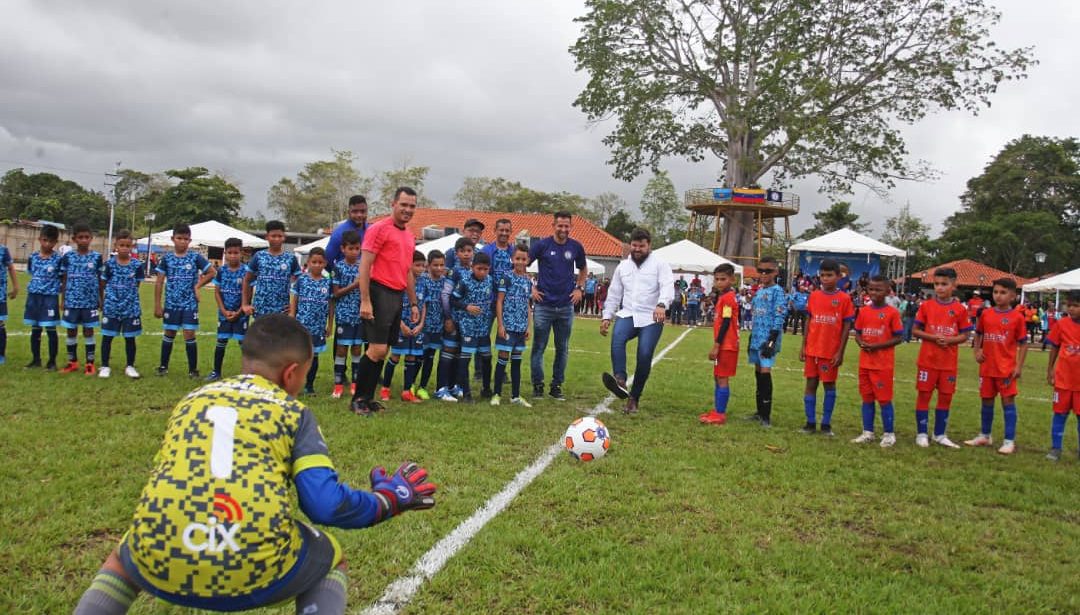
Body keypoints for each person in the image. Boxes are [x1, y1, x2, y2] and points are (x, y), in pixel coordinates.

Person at [72, 314, 436, 615]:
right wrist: (388, 499)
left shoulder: (192, 399)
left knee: (123, 556)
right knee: (330, 558)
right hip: (250, 564)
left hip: (161, 552)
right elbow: (324, 505)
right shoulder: (292, 411)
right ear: (292, 373)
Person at [349, 187, 421, 416]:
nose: (408, 210)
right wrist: (365, 300)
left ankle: (369, 399)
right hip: (378, 291)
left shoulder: (409, 236)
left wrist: (413, 303)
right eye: (404, 205)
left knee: (383, 349)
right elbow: (365, 265)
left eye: (412, 206)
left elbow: (408, 270)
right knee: (377, 348)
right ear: (393, 204)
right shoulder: (378, 229)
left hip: (397, 295)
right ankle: (358, 398)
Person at [599, 228, 674, 414]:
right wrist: (607, 316)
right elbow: (614, 293)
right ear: (630, 245)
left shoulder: (660, 264)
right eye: (634, 245)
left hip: (651, 316)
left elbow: (667, 286)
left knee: (645, 353)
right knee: (617, 338)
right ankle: (620, 380)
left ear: (649, 245)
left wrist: (662, 304)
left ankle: (634, 398)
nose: (637, 249)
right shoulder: (622, 267)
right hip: (629, 313)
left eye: (641, 246)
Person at [964, 278, 1029, 455]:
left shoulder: (1017, 317)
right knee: (986, 400)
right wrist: (977, 351)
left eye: (1003, 292)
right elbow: (978, 334)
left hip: (1006, 368)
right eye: (995, 292)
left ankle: (1009, 440)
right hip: (987, 367)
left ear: (1013, 296)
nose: (998, 296)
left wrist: (1019, 366)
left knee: (1007, 401)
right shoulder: (986, 314)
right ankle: (985, 435)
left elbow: (1023, 343)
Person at [529, 211, 588, 401]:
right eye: (560, 225)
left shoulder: (576, 246)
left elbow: (583, 268)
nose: (563, 229)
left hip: (565, 307)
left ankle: (556, 386)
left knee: (562, 348)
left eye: (566, 226)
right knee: (539, 347)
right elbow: (521, 264)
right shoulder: (542, 245)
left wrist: (579, 288)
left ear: (571, 227)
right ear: (553, 225)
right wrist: (531, 288)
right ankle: (538, 385)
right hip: (543, 305)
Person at [911, 267, 972, 448]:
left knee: (945, 397)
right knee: (924, 395)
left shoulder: (960, 309)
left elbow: (965, 334)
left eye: (944, 284)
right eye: (937, 284)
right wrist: (934, 338)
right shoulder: (926, 306)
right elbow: (915, 330)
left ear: (954, 285)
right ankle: (921, 433)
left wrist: (951, 340)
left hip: (948, 363)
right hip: (927, 361)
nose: (940, 288)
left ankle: (939, 434)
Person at [799, 259, 855, 436]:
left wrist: (840, 352)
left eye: (829, 275)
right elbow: (809, 320)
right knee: (810, 383)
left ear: (838, 276)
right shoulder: (814, 295)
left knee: (829, 385)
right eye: (822, 275)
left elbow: (846, 327)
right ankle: (810, 423)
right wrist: (803, 345)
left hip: (829, 351)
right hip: (812, 349)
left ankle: (826, 424)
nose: (825, 278)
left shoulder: (844, 299)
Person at [154, 224, 216, 378]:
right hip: (171, 304)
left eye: (185, 239)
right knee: (169, 333)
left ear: (190, 241)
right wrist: (157, 305)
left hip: (189, 304)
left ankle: (193, 370)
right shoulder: (166, 259)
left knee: (189, 334)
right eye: (179, 238)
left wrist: (197, 286)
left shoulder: (195, 257)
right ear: (173, 239)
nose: (182, 242)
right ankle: (163, 367)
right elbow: (159, 282)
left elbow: (211, 272)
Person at [851, 275, 904, 446]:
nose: (873, 292)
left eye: (878, 289)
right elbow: (857, 332)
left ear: (888, 291)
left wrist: (878, 346)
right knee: (866, 398)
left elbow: (898, 337)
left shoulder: (892, 313)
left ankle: (889, 434)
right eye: (871, 289)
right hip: (865, 363)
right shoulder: (864, 311)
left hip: (882, 365)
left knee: (884, 399)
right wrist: (861, 342)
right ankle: (868, 432)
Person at [380, 251, 427, 403]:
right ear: (409, 265)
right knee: (395, 356)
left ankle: (407, 391)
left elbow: (424, 305)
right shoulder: (400, 282)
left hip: (416, 327)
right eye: (417, 265)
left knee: (412, 357)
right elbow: (394, 306)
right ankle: (385, 388)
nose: (420, 269)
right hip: (401, 326)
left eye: (423, 266)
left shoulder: (423, 283)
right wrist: (401, 325)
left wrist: (421, 324)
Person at [746, 256, 787, 427]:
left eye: (768, 271)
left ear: (775, 272)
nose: (763, 274)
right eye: (760, 270)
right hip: (756, 338)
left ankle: (766, 416)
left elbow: (780, 315)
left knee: (765, 373)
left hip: (768, 340)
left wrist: (772, 339)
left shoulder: (777, 291)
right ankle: (758, 411)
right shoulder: (760, 290)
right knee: (757, 374)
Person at [98, 230, 145, 379]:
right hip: (112, 306)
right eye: (121, 245)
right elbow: (103, 283)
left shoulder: (137, 265)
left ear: (132, 247)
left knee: (130, 338)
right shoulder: (109, 264)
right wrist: (106, 300)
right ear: (116, 245)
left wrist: (128, 297)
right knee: (107, 337)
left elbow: (137, 284)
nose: (124, 248)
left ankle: (130, 366)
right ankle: (105, 366)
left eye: (127, 245)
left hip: (130, 307)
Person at [491, 244, 534, 407]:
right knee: (502, 359)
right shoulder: (506, 277)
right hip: (508, 326)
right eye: (517, 259)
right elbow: (500, 301)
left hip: (521, 328)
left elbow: (528, 305)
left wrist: (528, 327)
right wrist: (501, 325)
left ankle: (515, 396)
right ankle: (496, 394)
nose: (520, 262)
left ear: (528, 260)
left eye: (523, 259)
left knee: (517, 361)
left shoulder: (527, 280)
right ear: (512, 259)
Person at [59, 223, 104, 374]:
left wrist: (101, 299)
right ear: (74, 239)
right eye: (80, 237)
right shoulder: (68, 257)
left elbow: (100, 280)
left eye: (86, 237)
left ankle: (89, 364)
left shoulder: (97, 257)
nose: (84, 240)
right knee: (71, 331)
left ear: (91, 238)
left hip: (90, 301)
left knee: (88, 331)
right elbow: (64, 279)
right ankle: (72, 362)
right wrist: (63, 299)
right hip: (71, 300)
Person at [290, 247, 334, 396]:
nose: (317, 265)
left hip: (318, 327)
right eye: (314, 262)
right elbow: (295, 298)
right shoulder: (302, 279)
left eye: (320, 262)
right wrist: (292, 315)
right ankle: (295, 384)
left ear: (325, 263)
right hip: (302, 325)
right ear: (308, 262)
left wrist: (329, 324)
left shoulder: (327, 283)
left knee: (314, 356)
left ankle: (309, 385)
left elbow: (330, 304)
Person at [700, 263, 739, 425]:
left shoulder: (728, 298)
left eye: (723, 279)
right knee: (717, 377)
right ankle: (717, 410)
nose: (719, 282)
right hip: (724, 344)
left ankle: (720, 414)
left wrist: (717, 345)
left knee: (722, 378)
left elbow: (726, 322)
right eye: (717, 279)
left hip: (727, 345)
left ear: (732, 280)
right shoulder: (723, 297)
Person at [1045, 290, 1080, 461]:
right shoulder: (1062, 324)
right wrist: (1050, 369)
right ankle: (1055, 448)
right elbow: (1054, 347)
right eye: (1069, 305)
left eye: (1076, 306)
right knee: (1059, 414)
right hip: (1063, 380)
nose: (1071, 309)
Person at [331, 230, 366, 399]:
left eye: (357, 248)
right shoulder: (338, 268)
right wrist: (355, 285)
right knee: (341, 349)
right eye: (351, 248)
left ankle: (355, 383)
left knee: (357, 349)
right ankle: (338, 384)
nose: (354, 252)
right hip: (344, 315)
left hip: (359, 315)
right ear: (343, 249)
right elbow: (336, 293)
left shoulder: (363, 266)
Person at [242, 220, 300, 319]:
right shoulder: (259, 256)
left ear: (284, 237)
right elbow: (247, 280)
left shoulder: (290, 258)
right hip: (260, 309)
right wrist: (245, 304)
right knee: (260, 335)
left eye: (280, 236)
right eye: (273, 236)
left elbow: (301, 283)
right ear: (267, 237)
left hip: (282, 311)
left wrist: (293, 306)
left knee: (279, 335)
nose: (277, 239)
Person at [208, 237, 248, 381]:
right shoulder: (221, 271)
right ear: (225, 253)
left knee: (243, 343)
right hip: (224, 313)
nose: (233, 256)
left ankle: (247, 374)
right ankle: (216, 372)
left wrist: (238, 312)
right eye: (230, 253)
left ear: (241, 253)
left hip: (241, 314)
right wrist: (224, 311)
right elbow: (217, 292)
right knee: (221, 342)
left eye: (236, 253)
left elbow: (248, 294)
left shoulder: (246, 271)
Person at [23, 224, 62, 370]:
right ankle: (36, 359)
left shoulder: (58, 259)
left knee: (51, 329)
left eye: (51, 241)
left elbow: (62, 278)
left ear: (55, 242)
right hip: (34, 297)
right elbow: (31, 274)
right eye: (45, 240)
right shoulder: (33, 257)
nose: (47, 244)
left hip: (50, 298)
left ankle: (52, 362)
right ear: (40, 239)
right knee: (35, 329)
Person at [416, 249, 452, 400]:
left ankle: (422, 387)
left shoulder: (446, 282)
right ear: (428, 265)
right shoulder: (422, 280)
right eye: (435, 265)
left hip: (438, 326)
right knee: (418, 356)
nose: (439, 268)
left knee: (430, 357)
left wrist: (447, 320)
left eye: (441, 265)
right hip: (423, 325)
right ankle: (410, 384)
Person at [323, 195, 368, 269]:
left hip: (367, 278)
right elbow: (327, 260)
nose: (359, 215)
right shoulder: (338, 234)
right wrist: (339, 276)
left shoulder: (371, 230)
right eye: (355, 211)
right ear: (349, 212)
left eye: (362, 211)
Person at [0, 238, 17, 365]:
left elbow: (11, 268)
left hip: (0, 294)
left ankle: (1, 355)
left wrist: (15, 286)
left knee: (0, 324)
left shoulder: (3, 250)